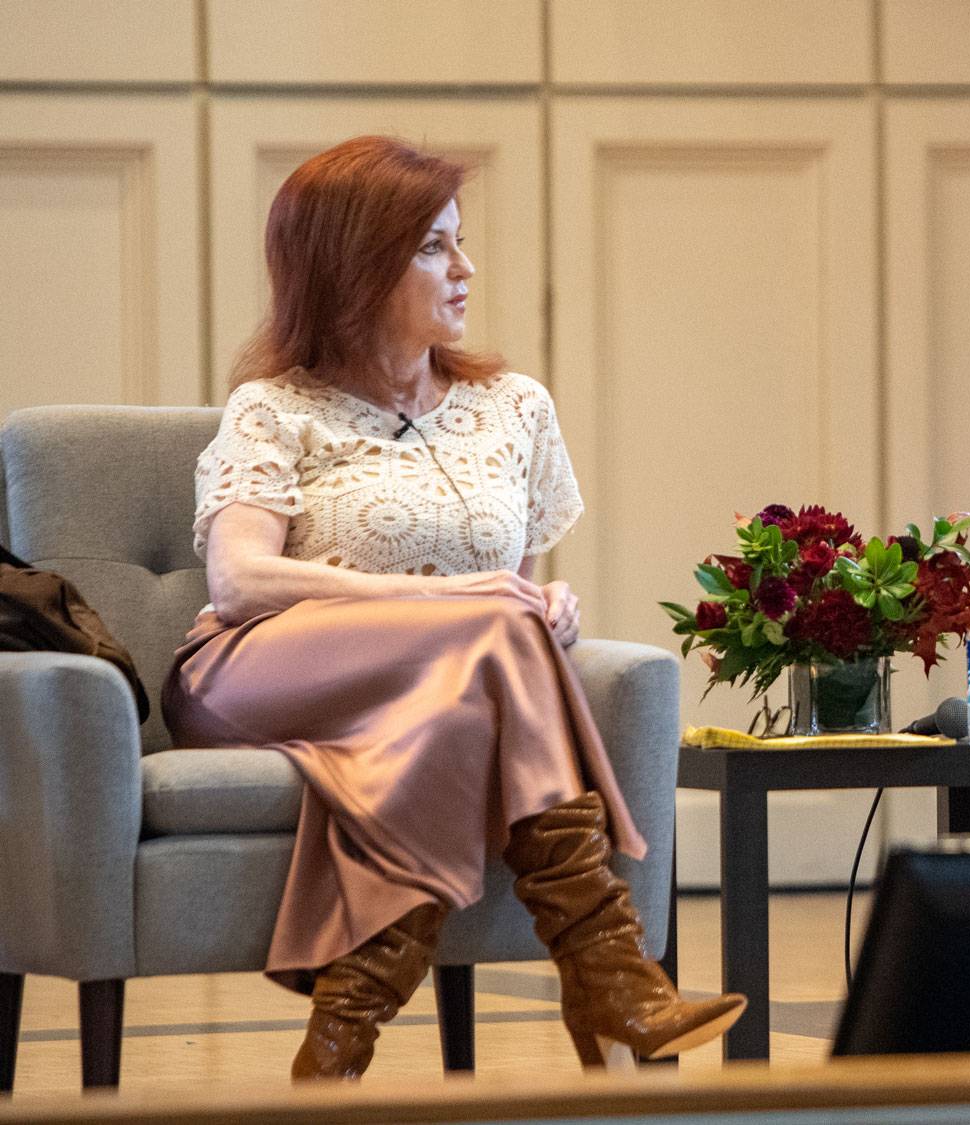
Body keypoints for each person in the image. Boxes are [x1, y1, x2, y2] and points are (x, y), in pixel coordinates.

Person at [163, 136, 744, 1080]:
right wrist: (451, 596)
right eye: (433, 247)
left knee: (485, 675)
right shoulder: (274, 408)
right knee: (493, 634)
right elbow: (240, 584)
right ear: (353, 268)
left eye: (459, 241)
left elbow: (503, 599)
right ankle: (606, 969)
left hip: (429, 694)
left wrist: (540, 603)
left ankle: (342, 1039)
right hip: (258, 673)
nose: (465, 268)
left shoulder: (514, 408)